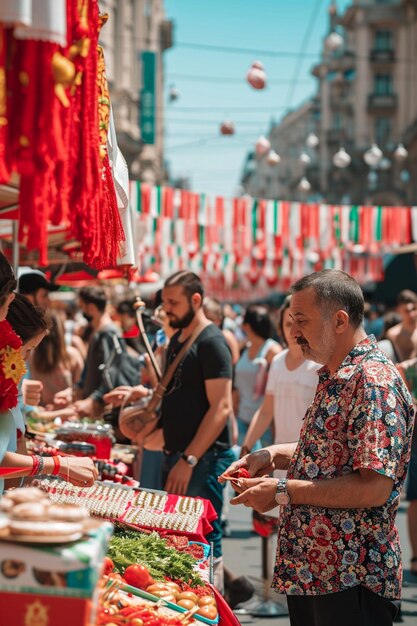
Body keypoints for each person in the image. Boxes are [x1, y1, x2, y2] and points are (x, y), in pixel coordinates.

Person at [220, 269, 414, 626]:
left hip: (350, 577)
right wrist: (273, 454)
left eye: (301, 320)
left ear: (339, 321)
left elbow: (374, 487)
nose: (293, 332)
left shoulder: (372, 381)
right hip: (316, 574)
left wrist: (282, 491)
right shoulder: (338, 373)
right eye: (292, 320)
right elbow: (333, 449)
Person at [119, 270, 235, 590]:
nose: (166, 309)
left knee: (204, 543)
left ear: (195, 300)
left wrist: (190, 459)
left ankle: (212, 608)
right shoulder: (178, 340)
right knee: (182, 541)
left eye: (173, 302)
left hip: (203, 460)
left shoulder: (212, 343)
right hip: (181, 457)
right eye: (164, 301)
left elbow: (221, 408)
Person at [1, 293, 97, 491]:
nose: (27, 360)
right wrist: (57, 465)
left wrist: (26, 484)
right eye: (28, 350)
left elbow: (17, 441)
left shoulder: (10, 385)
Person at [241, 295, 319, 472]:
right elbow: (266, 411)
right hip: (279, 458)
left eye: (301, 322)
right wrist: (246, 447)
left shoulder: (320, 365)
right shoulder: (277, 361)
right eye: (287, 324)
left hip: (310, 462)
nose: (293, 331)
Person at [234, 305, 282, 450]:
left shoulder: (273, 351)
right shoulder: (243, 348)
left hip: (265, 424)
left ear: (247, 326)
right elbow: (236, 388)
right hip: (242, 419)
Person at [30, 310, 84, 408]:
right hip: (61, 413)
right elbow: (81, 389)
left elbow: (81, 388)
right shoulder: (72, 355)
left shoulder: (32, 356)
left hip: (52, 414)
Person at [203, 297, 240, 365]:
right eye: (204, 318)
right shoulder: (200, 336)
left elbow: (235, 360)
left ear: (219, 320)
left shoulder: (226, 336)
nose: (206, 323)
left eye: (210, 319)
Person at [386, 289, 417, 362]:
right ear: (399, 310)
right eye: (407, 310)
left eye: (414, 309)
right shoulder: (392, 334)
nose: (412, 314)